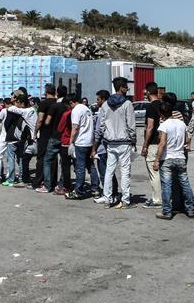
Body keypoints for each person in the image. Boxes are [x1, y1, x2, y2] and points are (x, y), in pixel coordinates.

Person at [153, 101, 194, 220]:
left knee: (167, 186)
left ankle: (167, 211)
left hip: (167, 158)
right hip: (180, 157)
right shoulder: (181, 124)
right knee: (185, 183)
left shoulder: (164, 125)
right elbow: (187, 140)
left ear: (161, 114)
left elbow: (162, 144)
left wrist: (157, 160)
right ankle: (190, 209)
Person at [99, 77, 137, 209]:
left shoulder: (105, 105)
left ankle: (107, 199)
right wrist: (133, 140)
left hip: (110, 142)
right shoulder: (127, 104)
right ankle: (125, 200)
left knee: (109, 171)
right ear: (121, 87)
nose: (127, 89)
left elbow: (101, 126)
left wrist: (106, 136)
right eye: (126, 87)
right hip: (124, 142)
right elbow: (131, 125)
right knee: (125, 171)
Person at [66, 94, 94, 200]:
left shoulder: (76, 110)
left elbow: (75, 127)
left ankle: (78, 191)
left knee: (80, 167)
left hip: (81, 142)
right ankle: (95, 189)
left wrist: (71, 142)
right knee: (91, 166)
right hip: (89, 141)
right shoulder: (86, 108)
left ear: (71, 103)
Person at [140, 82, 163, 209]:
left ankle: (157, 199)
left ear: (148, 92)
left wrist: (145, 145)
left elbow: (150, 127)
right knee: (162, 172)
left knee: (154, 173)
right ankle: (164, 196)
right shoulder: (163, 105)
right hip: (163, 142)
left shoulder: (151, 107)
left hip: (153, 143)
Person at [33, 84, 57, 189]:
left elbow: (40, 120)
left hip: (45, 133)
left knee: (41, 158)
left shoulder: (43, 104)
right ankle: (52, 181)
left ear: (46, 92)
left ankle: (38, 181)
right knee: (53, 158)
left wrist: (35, 132)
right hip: (55, 133)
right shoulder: (57, 103)